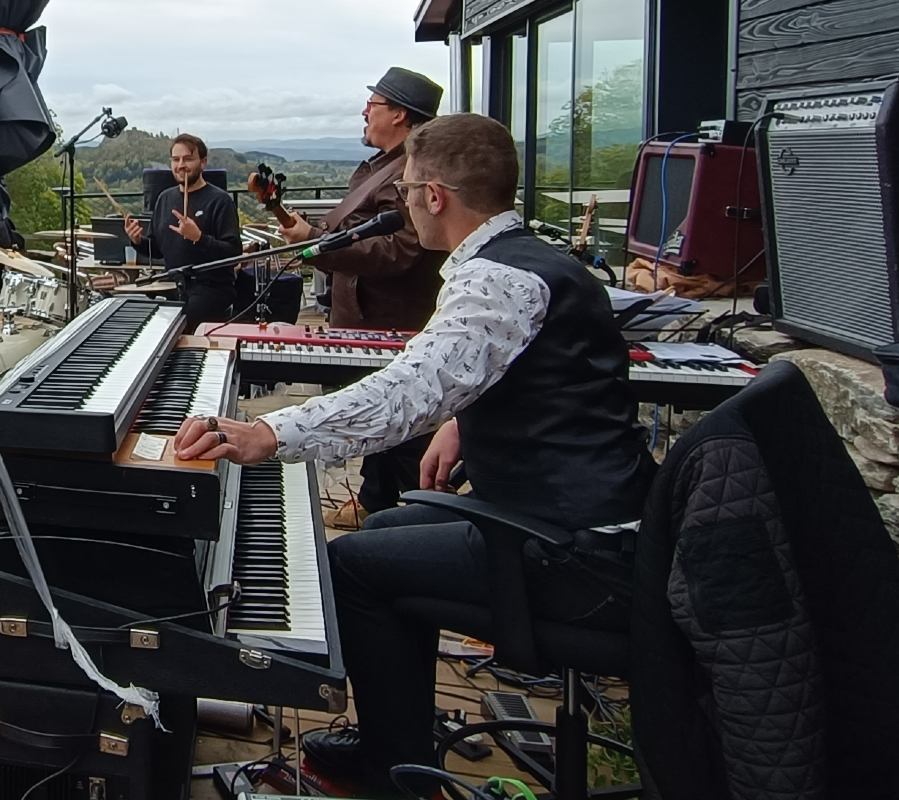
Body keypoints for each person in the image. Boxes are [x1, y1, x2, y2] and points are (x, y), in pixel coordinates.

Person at [173, 114, 654, 796]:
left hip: (584, 555)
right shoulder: (527, 259)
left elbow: (410, 390)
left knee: (355, 566)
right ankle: (395, 741)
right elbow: (485, 371)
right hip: (595, 520)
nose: (401, 204)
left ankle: (395, 777)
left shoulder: (496, 281)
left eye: (404, 192)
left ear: (434, 198)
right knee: (388, 528)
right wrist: (466, 413)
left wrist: (270, 434)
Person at [279, 67, 449, 527]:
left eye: (372, 105)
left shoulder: (411, 169)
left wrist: (317, 238)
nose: (364, 112)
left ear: (398, 114)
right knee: (379, 410)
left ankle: (421, 513)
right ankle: (377, 500)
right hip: (365, 313)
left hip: (392, 315)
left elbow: (402, 249)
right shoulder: (382, 164)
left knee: (402, 418)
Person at [98, 134, 243, 331]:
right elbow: (157, 250)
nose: (181, 165)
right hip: (173, 286)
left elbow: (233, 254)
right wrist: (137, 240)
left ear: (203, 163)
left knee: (174, 329)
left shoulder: (220, 201)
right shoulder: (165, 199)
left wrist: (199, 238)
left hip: (211, 289)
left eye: (188, 159)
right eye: (176, 160)